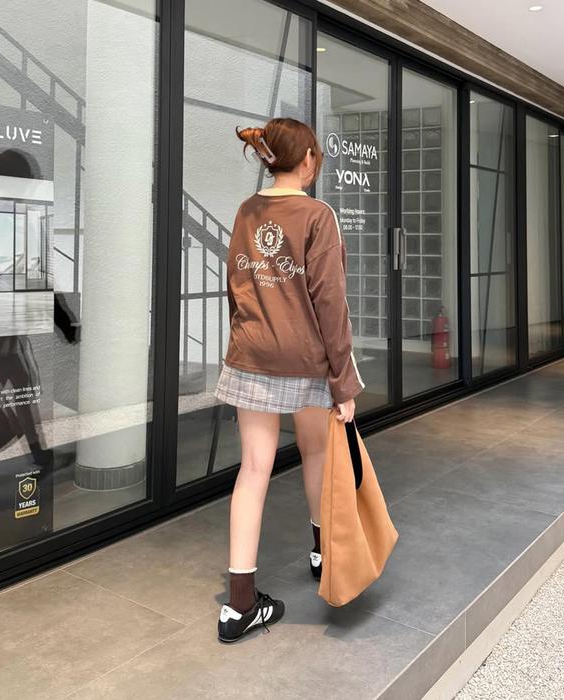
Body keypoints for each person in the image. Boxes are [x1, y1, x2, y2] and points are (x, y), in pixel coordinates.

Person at [214, 117, 365, 643]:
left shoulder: (246, 211)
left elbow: (236, 284)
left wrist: (249, 336)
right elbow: (331, 303)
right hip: (304, 359)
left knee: (253, 469)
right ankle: (323, 554)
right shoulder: (318, 215)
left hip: (251, 355)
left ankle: (238, 606)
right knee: (316, 453)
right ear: (307, 160)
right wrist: (343, 382)